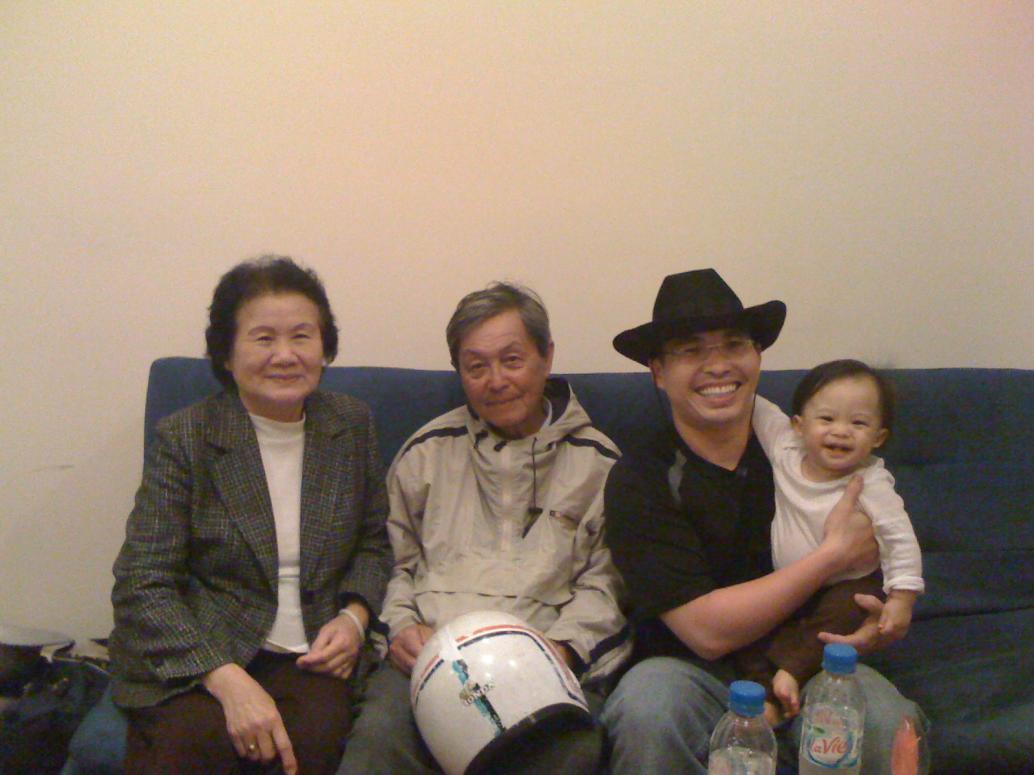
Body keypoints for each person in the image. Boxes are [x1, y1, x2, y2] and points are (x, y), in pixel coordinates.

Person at [599, 269, 928, 775]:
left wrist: (879, 618)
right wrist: (831, 557)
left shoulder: (812, 448)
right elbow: (706, 632)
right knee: (647, 709)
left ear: (757, 356)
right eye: (690, 350)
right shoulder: (640, 480)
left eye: (735, 344)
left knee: (889, 724)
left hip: (817, 659)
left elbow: (883, 551)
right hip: (694, 673)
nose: (718, 365)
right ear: (659, 372)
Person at [109, 256, 391, 775]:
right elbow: (142, 581)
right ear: (226, 352)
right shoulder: (186, 437)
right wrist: (223, 677)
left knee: (310, 748)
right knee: (196, 745)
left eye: (302, 336)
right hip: (204, 643)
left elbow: (374, 543)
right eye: (263, 339)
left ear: (324, 347)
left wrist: (354, 618)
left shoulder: (351, 425)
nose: (285, 355)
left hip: (312, 649)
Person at [337, 282, 631, 775]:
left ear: (546, 357)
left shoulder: (599, 463)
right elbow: (389, 559)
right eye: (476, 367)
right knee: (377, 744)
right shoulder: (426, 451)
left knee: (567, 756)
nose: (496, 381)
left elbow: (609, 586)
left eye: (512, 360)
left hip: (544, 663)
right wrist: (401, 627)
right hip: (432, 658)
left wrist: (560, 651)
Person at [740, 359, 924, 724]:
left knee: (849, 608)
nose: (841, 432)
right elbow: (757, 407)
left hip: (848, 582)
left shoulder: (871, 483)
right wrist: (737, 381)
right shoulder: (786, 450)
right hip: (789, 585)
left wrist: (902, 598)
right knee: (748, 629)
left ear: (878, 438)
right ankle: (768, 700)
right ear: (799, 426)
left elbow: (900, 538)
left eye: (858, 423)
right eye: (826, 419)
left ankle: (792, 672)